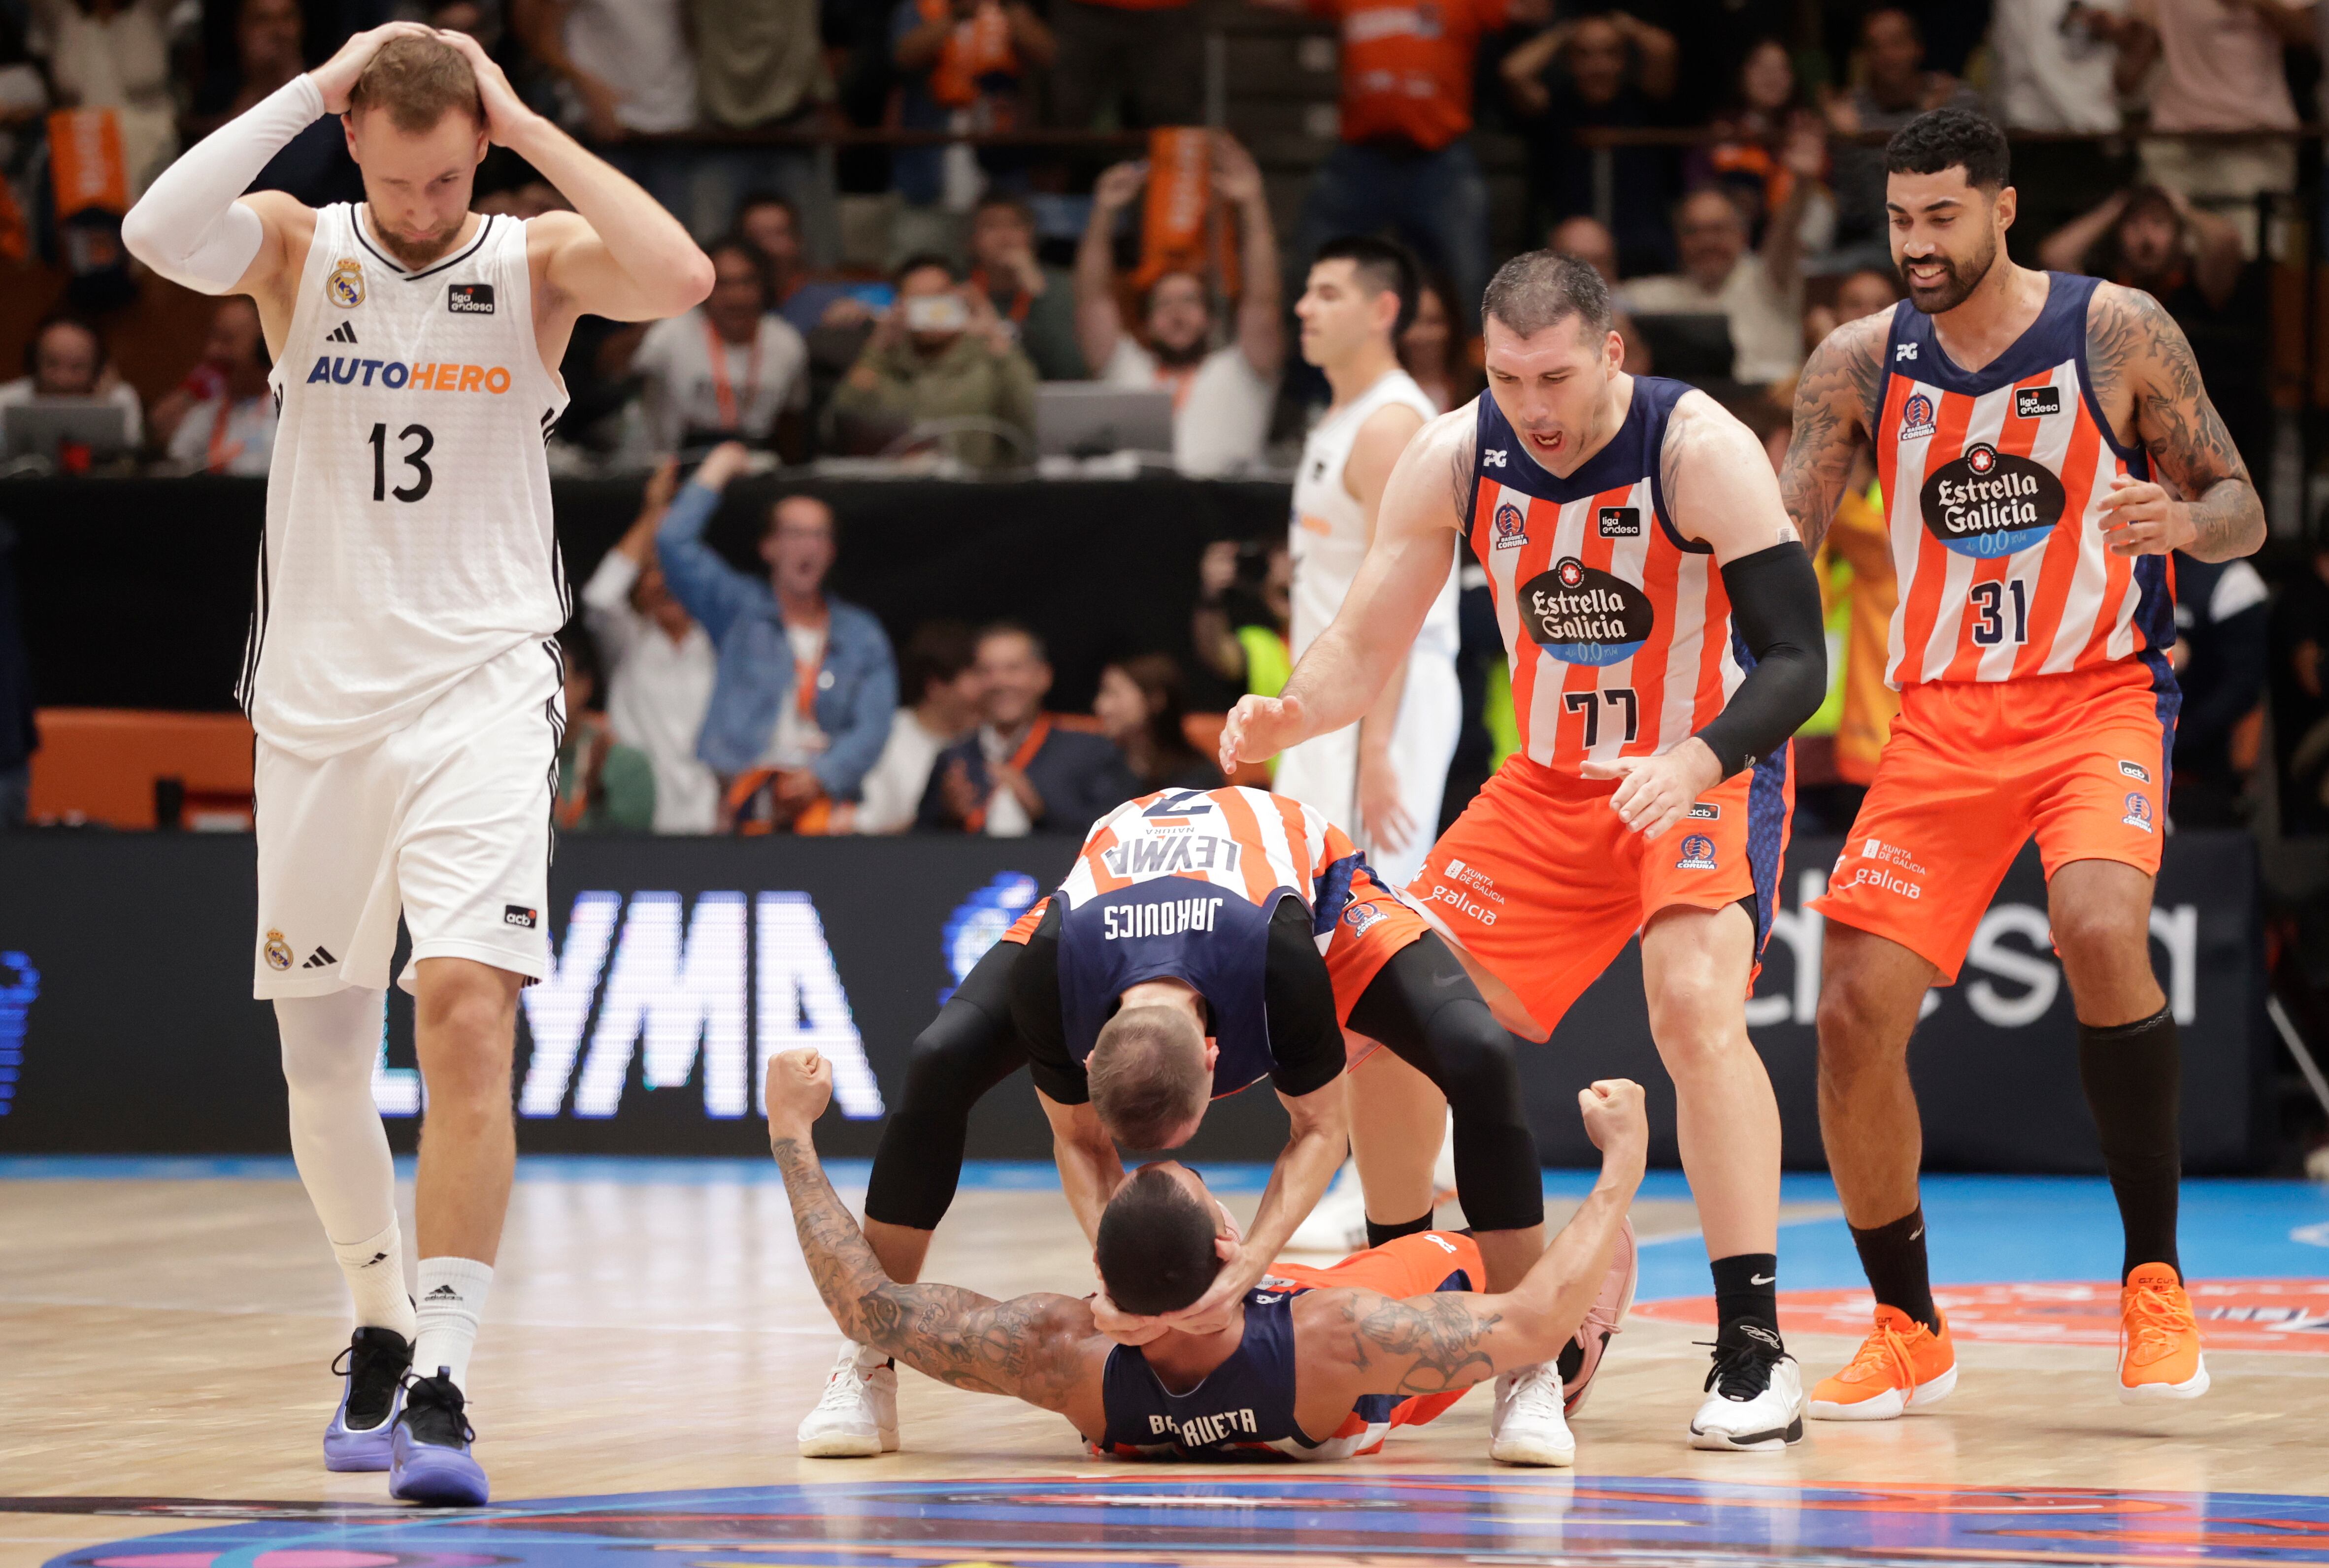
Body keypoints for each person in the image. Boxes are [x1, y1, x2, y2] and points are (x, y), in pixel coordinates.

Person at [119, 23, 714, 1504]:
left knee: (463, 1014)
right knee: (321, 1055)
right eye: (397, 178)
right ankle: (376, 1319)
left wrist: (529, 127)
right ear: (356, 150)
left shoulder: (529, 259)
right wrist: (306, 98)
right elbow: (150, 227)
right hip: (318, 710)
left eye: (449, 176)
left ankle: (445, 1369)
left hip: (478, 694)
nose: (424, 206)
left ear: (476, 154)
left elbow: (682, 276)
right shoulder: (292, 247)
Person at [1222, 248, 1830, 1450]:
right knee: (1379, 994)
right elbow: (1367, 635)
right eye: (1509, 380)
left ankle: (1754, 1343)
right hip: (1548, 786)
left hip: (1698, 767)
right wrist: (1294, 711)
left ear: (1612, 352)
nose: (1534, 409)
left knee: (1691, 1007)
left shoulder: (1696, 447)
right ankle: (1404, 1294)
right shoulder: (1453, 452)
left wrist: (1696, 759)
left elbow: (1798, 660)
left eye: (1554, 376)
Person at [1780, 108, 2265, 1419]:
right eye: (1899, 220)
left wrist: (2182, 515)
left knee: (2102, 925)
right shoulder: (1858, 361)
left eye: (1941, 217)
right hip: (1939, 721)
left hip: (2096, 695)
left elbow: (2243, 508)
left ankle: (2155, 1283)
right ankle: (1907, 1325)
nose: (1917, 245)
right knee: (1848, 1013)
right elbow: (1778, 543)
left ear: (2002, 209)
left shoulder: (2116, 331)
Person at [800, 784, 1600, 1467]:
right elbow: (1078, 1138)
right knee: (937, 1060)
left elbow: (1316, 1127)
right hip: (1110, 899)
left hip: (1305, 887)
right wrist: (1121, 1276)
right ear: (1093, 1046)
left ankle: (1526, 1373)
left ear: (1218, 1055)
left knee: (1476, 1050)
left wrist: (1244, 1266)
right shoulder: (1053, 971)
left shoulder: (1282, 960)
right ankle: (866, 1358)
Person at [771, 1047, 1645, 1462]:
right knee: (1481, 1265)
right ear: (1231, 1248)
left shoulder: (1060, 1350)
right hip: (1335, 1371)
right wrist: (1621, 1163)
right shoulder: (1336, 1331)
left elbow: (866, 1301)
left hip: (1239, 1338)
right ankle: (1567, 1369)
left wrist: (791, 1131)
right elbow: (1530, 1314)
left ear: (1107, 1289)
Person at [1275, 236, 1456, 895]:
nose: (1303, 308)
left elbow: (1401, 602)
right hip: (1330, 697)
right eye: (1306, 292)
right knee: (1305, 911)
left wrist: (1377, 750)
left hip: (1384, 702)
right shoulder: (1340, 415)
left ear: (1382, 310)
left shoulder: (1390, 425)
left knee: (1364, 913)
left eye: (1328, 294)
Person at [656, 442, 897, 831]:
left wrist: (824, 774)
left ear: (831, 551)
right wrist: (718, 468)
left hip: (822, 803)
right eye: (795, 533)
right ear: (768, 547)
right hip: (741, 798)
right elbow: (673, 543)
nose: (808, 546)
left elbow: (874, 724)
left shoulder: (860, 634)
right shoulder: (738, 610)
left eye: (819, 535)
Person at [1264, 0, 1512, 333]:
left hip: (1437, 159)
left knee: (1468, 281)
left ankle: (1475, 381)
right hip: (1361, 159)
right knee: (1314, 271)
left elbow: (1529, 10)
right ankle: (1311, 382)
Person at [1076, 140, 1284, 477]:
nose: (1177, 313)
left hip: (1222, 519)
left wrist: (1252, 203)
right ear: (1146, 324)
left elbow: (1263, 300)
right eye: (1164, 304)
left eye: (1190, 301)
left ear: (1213, 320)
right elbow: (1092, 300)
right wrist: (1103, 212)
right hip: (1132, 515)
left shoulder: (1241, 370)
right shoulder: (1124, 367)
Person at [580, 459, 719, 834]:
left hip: (712, 828)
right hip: (634, 827)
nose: (665, 582)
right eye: (654, 571)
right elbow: (600, 598)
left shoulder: (723, 647)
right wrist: (652, 511)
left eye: (676, 570)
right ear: (640, 586)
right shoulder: (629, 642)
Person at [2117, 0, 2314, 258]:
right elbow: (2127, 77)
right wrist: (2128, 34)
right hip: (2175, 141)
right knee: (2164, 259)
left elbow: (2308, 37)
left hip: (2255, 141)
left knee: (2252, 259)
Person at [1503, 11, 1679, 279]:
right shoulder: (1557, 107)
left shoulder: (1643, 103)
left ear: (1624, 59)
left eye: (1610, 53)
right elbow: (1514, 72)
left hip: (1644, 256)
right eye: (1584, 55)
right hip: (1571, 258)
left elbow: (1664, 50)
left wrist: (1628, 26)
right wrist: (1565, 32)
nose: (1598, 65)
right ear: (1569, 61)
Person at [917, 621, 1137, 834]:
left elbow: (1118, 837)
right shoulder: (954, 758)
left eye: (1013, 669)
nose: (1000, 682)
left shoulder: (1090, 751)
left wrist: (1042, 809)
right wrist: (947, 816)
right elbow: (914, 848)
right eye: (986, 671)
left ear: (1043, 677)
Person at [1623, 155, 1823, 388]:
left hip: (1769, 409)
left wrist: (1802, 187)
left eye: (1718, 230)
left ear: (1742, 235)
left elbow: (1784, 237)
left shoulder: (1770, 279)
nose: (1707, 242)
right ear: (1678, 242)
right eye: (1693, 232)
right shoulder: (1656, 294)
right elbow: (1604, 303)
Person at [830, 254, 1038, 470]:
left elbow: (1030, 418)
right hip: (899, 490)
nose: (932, 308)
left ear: (959, 298)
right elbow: (844, 420)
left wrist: (994, 334)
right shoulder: (887, 364)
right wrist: (878, 346)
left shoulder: (988, 363)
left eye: (940, 296)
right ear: (901, 305)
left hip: (979, 491)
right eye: (919, 299)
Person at [1821, 9, 1982, 267]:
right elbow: (1863, 208)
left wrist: (1928, 116)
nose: (1887, 56)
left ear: (1917, 48)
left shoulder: (1955, 99)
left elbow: (1965, 185)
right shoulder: (1851, 112)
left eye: (1896, 44)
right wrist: (1849, 142)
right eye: (1876, 47)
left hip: (1950, 236)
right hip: (1879, 241)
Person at [624, 237, 811, 457]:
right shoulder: (671, 332)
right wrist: (639, 327)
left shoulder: (787, 343)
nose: (736, 297)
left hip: (754, 471)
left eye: (747, 282)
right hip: (674, 469)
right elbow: (610, 374)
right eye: (723, 284)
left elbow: (792, 423)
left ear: (764, 286)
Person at [850, 619, 983, 834]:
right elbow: (868, 831)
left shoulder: (988, 742)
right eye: (976, 675)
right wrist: (937, 817)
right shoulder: (887, 737)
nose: (987, 688)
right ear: (936, 686)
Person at [2167, 552, 2270, 826]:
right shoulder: (2109, 565)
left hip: (2198, 767)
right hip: (2109, 750)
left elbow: (2242, 688)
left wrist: (2171, 740)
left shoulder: (2232, 580)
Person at [552, 622, 656, 832]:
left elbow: (634, 850)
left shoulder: (625, 765)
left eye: (557, 684)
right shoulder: (510, 764)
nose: (546, 697)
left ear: (586, 686)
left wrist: (597, 795)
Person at [968, 193, 1085, 381]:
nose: (1005, 237)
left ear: (1032, 236)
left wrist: (1039, 293)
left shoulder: (1062, 287)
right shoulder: (961, 293)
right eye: (991, 227)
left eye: (1015, 226)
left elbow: (1071, 368)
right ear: (972, 241)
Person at [157, 296, 278, 475]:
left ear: (264, 348)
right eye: (214, 339)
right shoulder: (210, 411)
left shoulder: (288, 411)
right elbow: (176, 467)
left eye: (227, 341)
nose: (212, 351)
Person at [0, 315, 144, 446]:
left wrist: (102, 406)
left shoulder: (119, 399)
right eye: (52, 364)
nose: (63, 380)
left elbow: (130, 464)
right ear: (34, 363)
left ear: (98, 369)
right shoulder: (5, 400)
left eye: (77, 367)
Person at [1094, 653, 1222, 794]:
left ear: (1156, 700)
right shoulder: (1095, 768)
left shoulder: (1199, 777)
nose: (1101, 707)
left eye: (1114, 694)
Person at [1192, 537, 1293, 699]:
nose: (1288, 576)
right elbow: (1217, 653)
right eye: (1283, 591)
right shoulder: (1260, 643)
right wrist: (1212, 596)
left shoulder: (1337, 637)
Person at [1399, 274, 1478, 416]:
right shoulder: (1381, 391)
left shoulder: (1485, 389)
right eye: (1413, 322)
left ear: (1453, 325)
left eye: (1434, 322)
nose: (1423, 335)